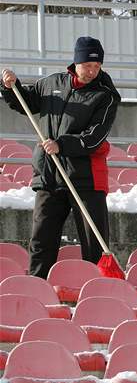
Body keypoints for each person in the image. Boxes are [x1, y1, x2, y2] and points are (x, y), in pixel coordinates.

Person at [1, 36, 120, 279]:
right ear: (76, 62)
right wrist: (10, 87)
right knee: (41, 239)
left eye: (97, 67)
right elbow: (26, 102)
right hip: (49, 174)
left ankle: (99, 288)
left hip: (87, 179)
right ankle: (36, 285)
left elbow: (95, 136)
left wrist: (62, 144)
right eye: (88, 65)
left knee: (94, 242)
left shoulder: (106, 96)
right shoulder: (51, 83)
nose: (92, 71)